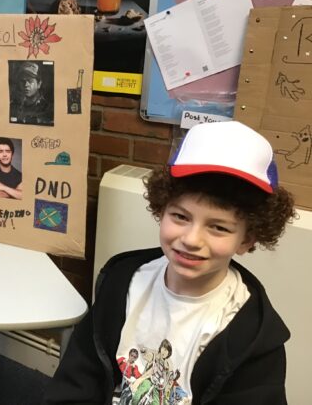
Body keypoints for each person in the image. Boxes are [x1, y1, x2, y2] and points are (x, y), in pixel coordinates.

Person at [45, 121, 297, 404]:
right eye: (180, 217)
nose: (191, 239)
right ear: (162, 208)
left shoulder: (253, 339)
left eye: (219, 227)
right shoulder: (121, 284)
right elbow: (78, 379)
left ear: (247, 239)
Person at [9, 61, 53, 126]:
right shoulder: (14, 106)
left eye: (30, 81)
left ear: (39, 84)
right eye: (23, 81)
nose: (26, 85)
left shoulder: (48, 109)